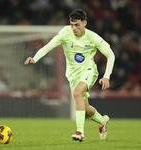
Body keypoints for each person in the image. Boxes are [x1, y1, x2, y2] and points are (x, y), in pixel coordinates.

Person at [24, 9, 115, 142]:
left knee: (77, 92)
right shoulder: (65, 32)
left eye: (77, 24)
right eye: (72, 24)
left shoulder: (92, 37)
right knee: (85, 108)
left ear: (85, 23)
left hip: (88, 70)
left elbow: (110, 55)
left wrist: (106, 76)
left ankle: (80, 132)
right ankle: (103, 121)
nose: (74, 28)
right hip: (73, 76)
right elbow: (48, 47)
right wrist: (34, 58)